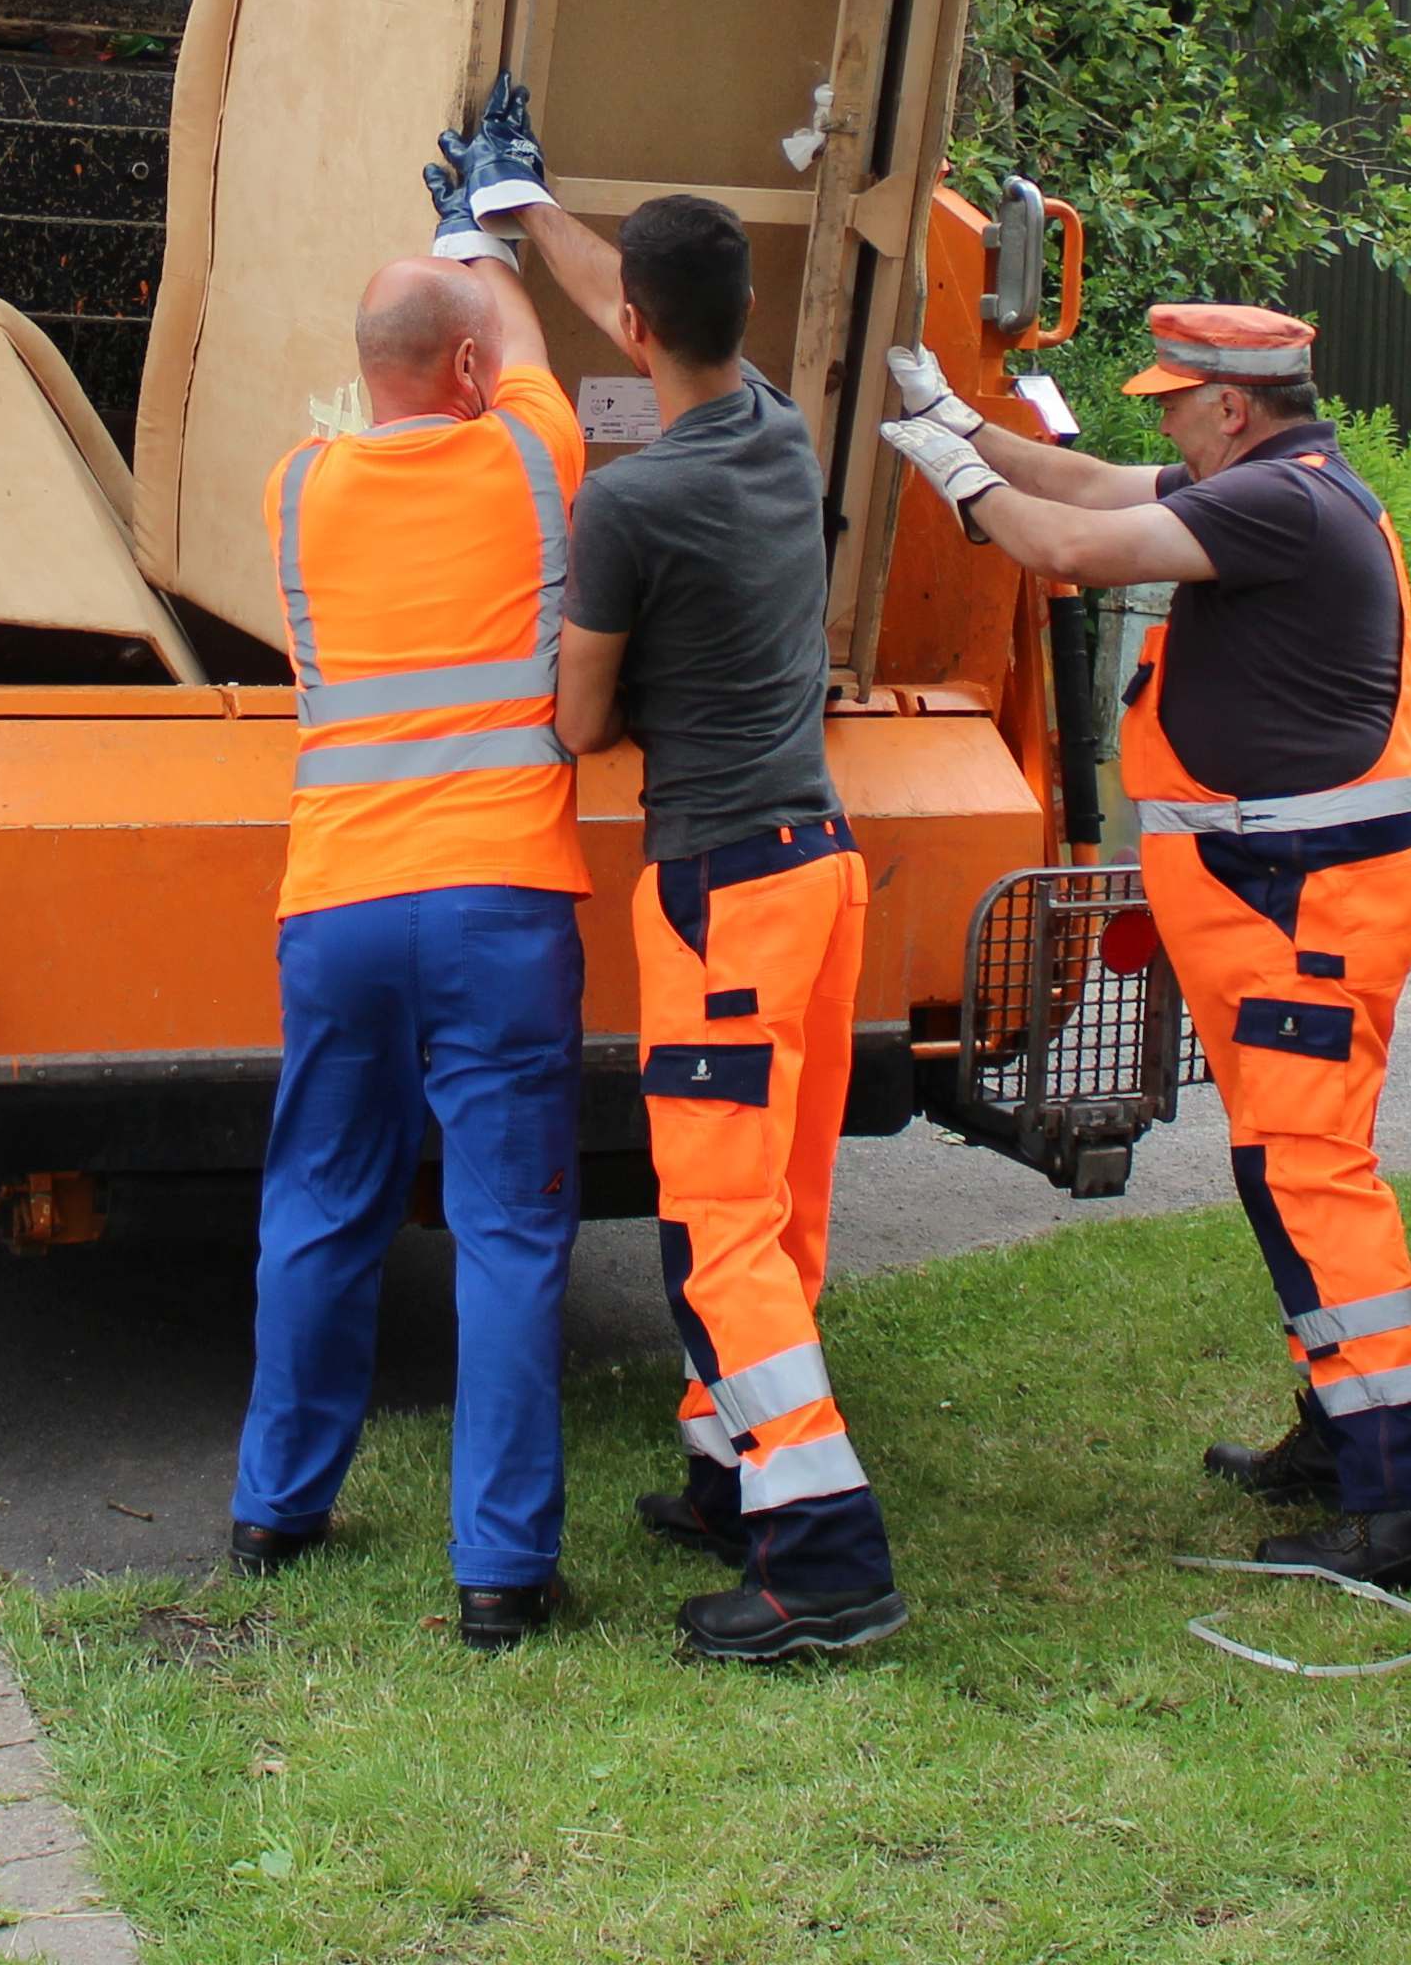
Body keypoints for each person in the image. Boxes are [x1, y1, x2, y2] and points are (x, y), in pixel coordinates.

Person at [874, 302, 1411, 1590]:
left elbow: (1063, 542)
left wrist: (952, 475)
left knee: (1313, 1175)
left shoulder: (1280, 506)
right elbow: (1090, 480)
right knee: (1287, 1170)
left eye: (1171, 399)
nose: (1157, 416)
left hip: (1301, 906)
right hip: (1292, 897)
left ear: (1231, 404)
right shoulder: (1282, 483)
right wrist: (958, 418)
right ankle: (1344, 1435)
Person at [457, 84, 908, 1664]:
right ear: (742, 318)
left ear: (644, 329)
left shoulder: (628, 500)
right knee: (778, 1203)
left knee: (717, 1222)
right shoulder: (774, 428)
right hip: (820, 868)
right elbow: (627, 290)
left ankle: (829, 1558)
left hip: (716, 879)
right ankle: (734, 1472)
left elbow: (574, 723)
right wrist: (525, 208)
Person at [227, 153, 592, 1654]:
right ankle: (501, 1572)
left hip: (343, 902)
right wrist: (494, 214)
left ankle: (277, 1507)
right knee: (507, 1229)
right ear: (466, 368)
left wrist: (433, 248)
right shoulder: (528, 460)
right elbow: (529, 361)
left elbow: (442, 356)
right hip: (500, 898)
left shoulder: (296, 490)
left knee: (320, 1199)